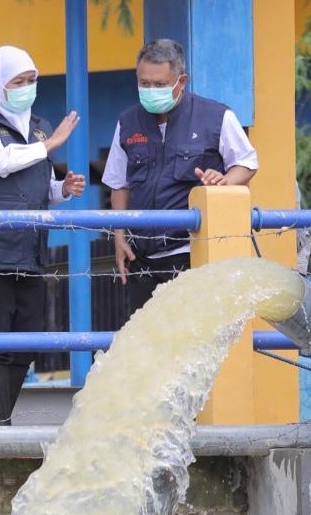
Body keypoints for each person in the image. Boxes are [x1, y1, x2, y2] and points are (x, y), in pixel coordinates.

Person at [0, 45, 85, 426]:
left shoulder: (36, 126)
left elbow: (38, 185)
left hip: (28, 250)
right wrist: (51, 145)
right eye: (17, 82)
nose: (26, 88)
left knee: (26, 343)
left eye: (31, 80)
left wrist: (63, 189)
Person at [102, 38, 258, 317]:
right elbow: (118, 184)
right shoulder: (127, 121)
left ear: (181, 81)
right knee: (148, 346)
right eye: (144, 83)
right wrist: (119, 236)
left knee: (193, 343)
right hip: (142, 259)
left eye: (159, 85)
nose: (150, 90)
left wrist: (223, 182)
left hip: (192, 255)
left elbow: (246, 164)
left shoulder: (216, 116)